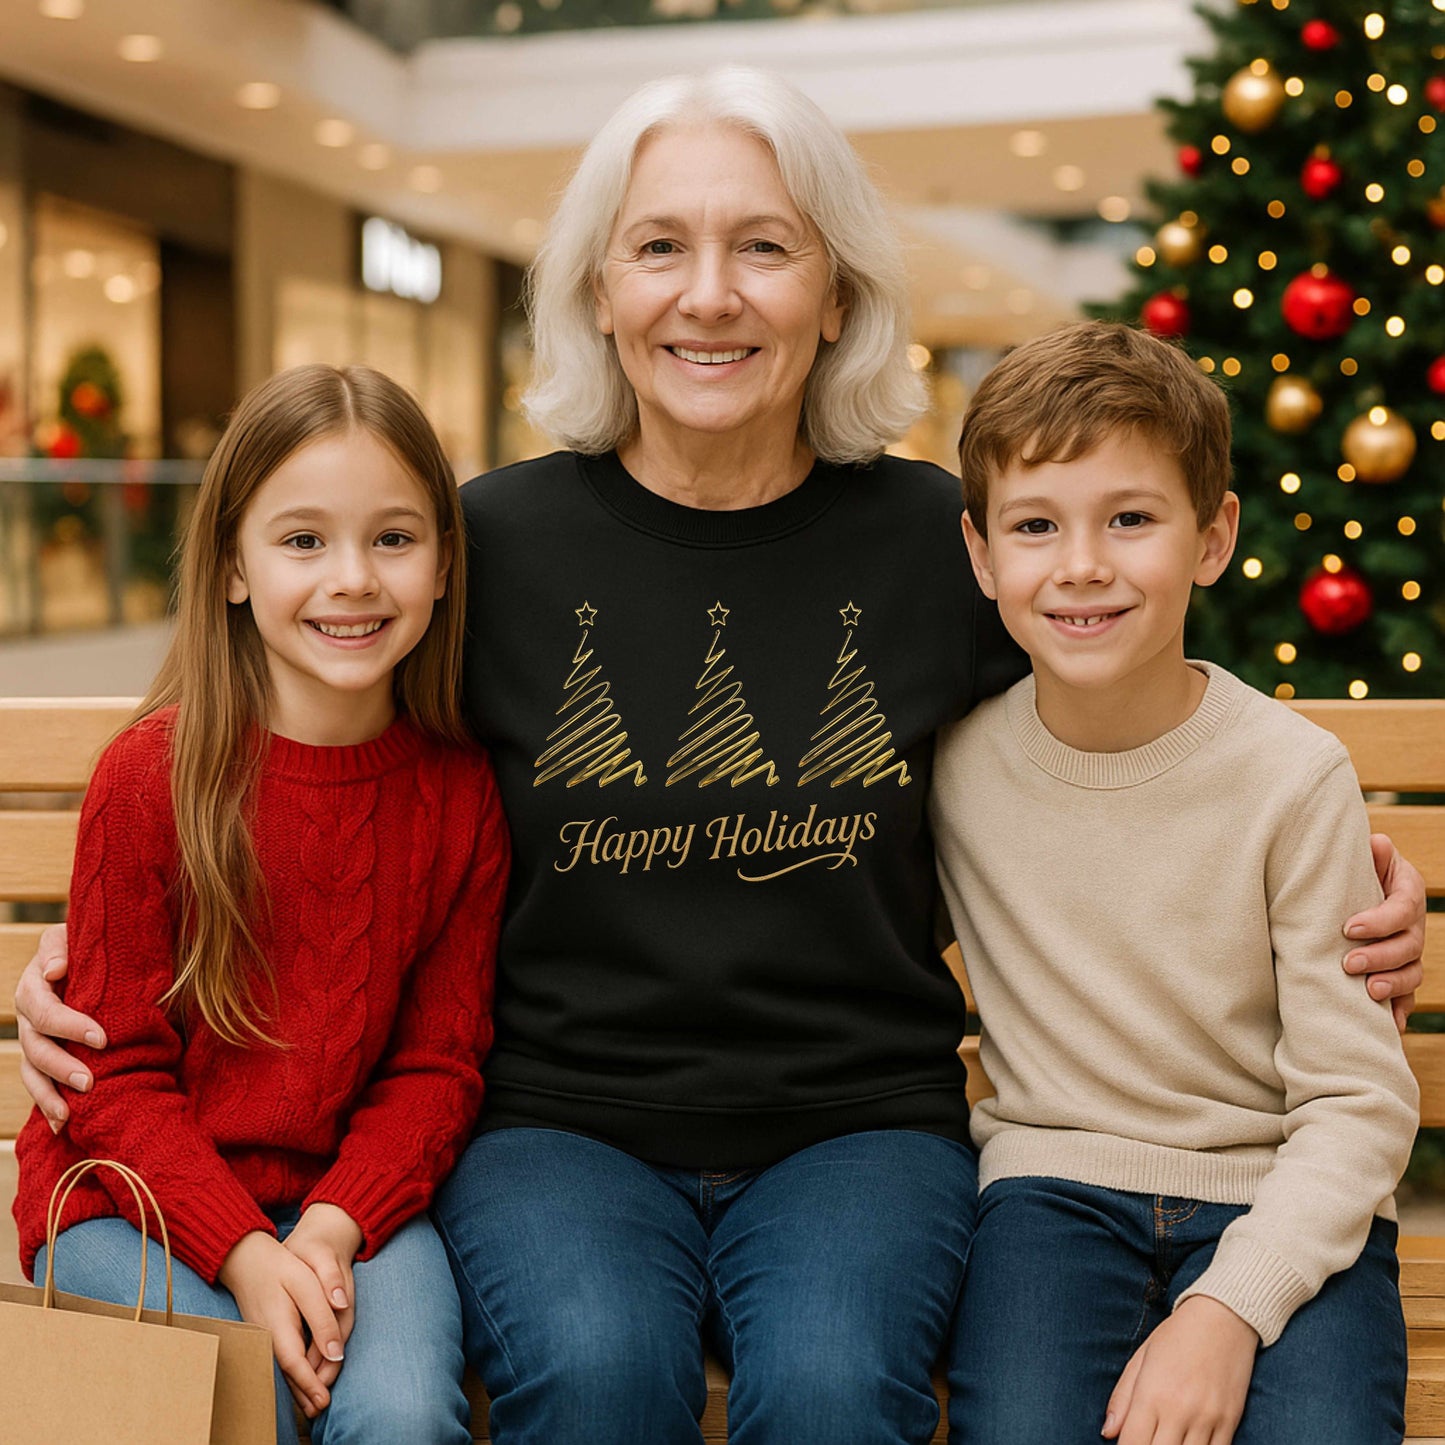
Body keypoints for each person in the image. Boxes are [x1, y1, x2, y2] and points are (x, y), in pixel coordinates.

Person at [14, 70, 1426, 1445]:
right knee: (597, 1371)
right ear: (598, 292)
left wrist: (1344, 878)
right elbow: (291, 749)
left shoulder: (944, 545)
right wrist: (88, 957)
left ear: (835, 296)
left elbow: (1131, 708)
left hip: (855, 1129)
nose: (709, 293)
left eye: (764, 247)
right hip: (555, 1125)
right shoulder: (483, 546)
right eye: (659, 248)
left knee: (827, 1390)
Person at [936, 321, 1418, 1444]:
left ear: (1212, 537)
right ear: (979, 554)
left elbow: (1355, 1100)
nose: (1081, 564)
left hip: (1285, 1190)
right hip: (1047, 1193)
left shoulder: (1292, 778)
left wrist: (1223, 1307)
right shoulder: (953, 770)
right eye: (1035, 525)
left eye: (1130, 518)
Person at [12, 365, 510, 1445]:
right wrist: (246, 1254)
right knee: (250, 1404)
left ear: (441, 566)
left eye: (392, 538)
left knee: (401, 1413)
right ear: (233, 565)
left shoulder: (457, 792)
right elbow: (116, 1072)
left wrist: (328, 1229)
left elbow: (437, 1063)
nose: (352, 579)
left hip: (351, 1201)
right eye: (301, 541)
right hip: (130, 1198)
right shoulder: (153, 778)